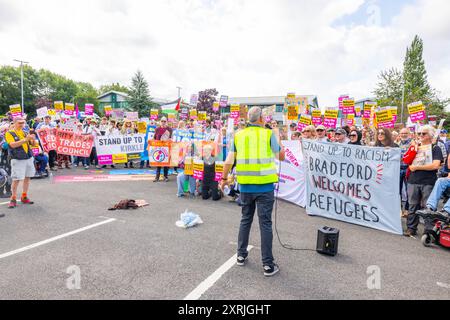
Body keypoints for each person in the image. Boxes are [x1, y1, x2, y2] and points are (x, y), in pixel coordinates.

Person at [220, 106, 285, 277]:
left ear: (249, 119)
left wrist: (223, 178)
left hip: (246, 186)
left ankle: (241, 255)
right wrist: (280, 141)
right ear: (262, 119)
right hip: (265, 186)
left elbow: (229, 160)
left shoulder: (239, 135)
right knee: (265, 224)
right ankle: (268, 265)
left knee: (245, 219)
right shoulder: (268, 134)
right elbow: (281, 157)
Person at [404, 125, 443, 237]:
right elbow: (406, 160)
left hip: (428, 181)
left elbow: (435, 165)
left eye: (423, 133)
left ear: (430, 135)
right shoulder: (415, 147)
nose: (420, 135)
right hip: (413, 180)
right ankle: (411, 229)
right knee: (412, 206)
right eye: (419, 133)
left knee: (428, 207)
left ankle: (428, 231)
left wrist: (417, 167)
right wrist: (412, 149)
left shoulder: (435, 148)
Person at [4, 117, 36, 209]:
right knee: (16, 179)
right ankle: (13, 199)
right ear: (14, 123)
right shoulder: (9, 133)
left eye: (23, 123)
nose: (22, 124)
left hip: (28, 157)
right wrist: (26, 139)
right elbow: (12, 145)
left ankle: (24, 196)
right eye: (19, 123)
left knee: (27, 177)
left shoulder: (25, 132)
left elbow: (32, 144)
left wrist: (32, 139)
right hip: (17, 159)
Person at [153, 117, 173, 182]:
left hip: (166, 148)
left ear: (166, 122)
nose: (163, 122)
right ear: (160, 122)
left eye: (164, 121)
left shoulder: (169, 129)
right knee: (158, 163)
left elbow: (171, 138)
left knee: (166, 164)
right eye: (162, 121)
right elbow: (155, 138)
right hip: (159, 148)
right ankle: (157, 177)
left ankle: (165, 176)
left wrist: (170, 140)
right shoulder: (157, 129)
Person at [398, 128, 412, 216]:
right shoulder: (397, 144)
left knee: (408, 190)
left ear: (409, 134)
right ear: (399, 134)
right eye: (402, 133)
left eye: (405, 133)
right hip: (398, 169)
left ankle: (407, 209)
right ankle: (398, 209)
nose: (403, 135)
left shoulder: (412, 144)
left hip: (408, 169)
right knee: (397, 190)